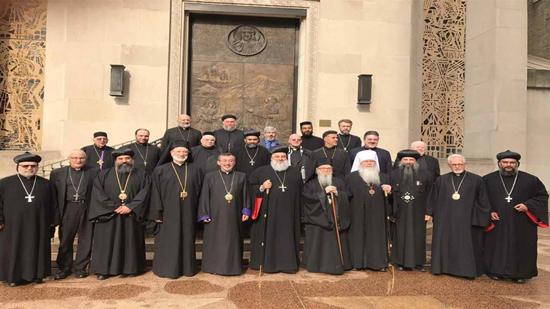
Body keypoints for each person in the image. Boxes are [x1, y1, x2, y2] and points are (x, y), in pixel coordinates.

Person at [483, 150, 549, 283]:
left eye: (512, 162)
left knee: (521, 245)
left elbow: (542, 196)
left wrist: (528, 205)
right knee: (496, 245)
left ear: (517, 163)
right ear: (499, 163)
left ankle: (521, 274)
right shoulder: (487, 179)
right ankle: (494, 271)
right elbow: (480, 198)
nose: (508, 165)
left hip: (522, 221)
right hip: (497, 221)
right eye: (505, 162)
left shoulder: (531, 180)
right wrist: (489, 211)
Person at [88, 148, 151, 280]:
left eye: (127, 158)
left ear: (131, 160)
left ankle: (132, 269)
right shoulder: (104, 174)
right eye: (120, 159)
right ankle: (104, 270)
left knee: (131, 242)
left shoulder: (142, 174)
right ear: (115, 160)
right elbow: (98, 194)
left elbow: (146, 193)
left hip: (131, 215)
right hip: (109, 216)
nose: (124, 161)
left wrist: (131, 206)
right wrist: (115, 207)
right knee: (107, 242)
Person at [426, 154, 491, 279]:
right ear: (449, 165)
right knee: (445, 242)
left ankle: (465, 270)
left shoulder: (477, 180)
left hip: (467, 220)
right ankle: (443, 268)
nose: (457, 167)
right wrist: (429, 212)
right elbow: (433, 198)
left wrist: (479, 219)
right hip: (445, 219)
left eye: (460, 164)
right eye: (454, 164)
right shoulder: (441, 180)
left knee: (466, 245)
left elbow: (483, 201)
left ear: (465, 164)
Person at [0, 152, 58, 287]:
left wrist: (53, 220)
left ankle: (37, 275)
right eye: (25, 166)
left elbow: (54, 203)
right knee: (14, 249)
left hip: (39, 223)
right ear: (18, 167)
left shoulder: (46, 184)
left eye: (33, 166)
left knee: (37, 248)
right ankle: (13, 277)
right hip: (13, 226)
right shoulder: (4, 183)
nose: (29, 169)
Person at [149, 141, 204, 278]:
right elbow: (154, 193)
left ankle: (187, 269)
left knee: (187, 239)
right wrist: (156, 212)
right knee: (168, 240)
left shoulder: (195, 169)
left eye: (184, 152)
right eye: (178, 151)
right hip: (167, 212)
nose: (182, 154)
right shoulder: (160, 170)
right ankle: (166, 269)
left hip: (189, 211)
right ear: (171, 153)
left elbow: (201, 192)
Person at [249, 146, 302, 273]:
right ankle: (268, 265)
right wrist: (262, 187)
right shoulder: (261, 171)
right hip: (267, 212)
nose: (280, 159)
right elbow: (251, 188)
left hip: (289, 213)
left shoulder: (294, 172)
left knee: (287, 238)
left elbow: (300, 192)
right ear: (271, 158)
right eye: (277, 156)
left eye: (283, 157)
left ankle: (287, 265)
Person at [198, 153, 250, 275]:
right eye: (225, 161)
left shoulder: (241, 176)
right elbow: (204, 196)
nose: (227, 163)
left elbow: (246, 195)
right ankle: (213, 267)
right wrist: (205, 213)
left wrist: (246, 210)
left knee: (233, 241)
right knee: (215, 241)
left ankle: (233, 268)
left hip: (234, 214)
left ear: (234, 163)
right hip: (215, 215)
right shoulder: (210, 176)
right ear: (218, 162)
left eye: (230, 161)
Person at [50, 149, 99, 280]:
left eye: (82, 158)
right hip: (68, 208)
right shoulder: (57, 173)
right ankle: (64, 268)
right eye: (75, 158)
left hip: (86, 207)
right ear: (69, 158)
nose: (78, 160)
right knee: (65, 239)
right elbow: (53, 194)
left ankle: (80, 268)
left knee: (86, 239)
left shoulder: (94, 171)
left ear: (86, 159)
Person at [302, 158, 352, 274]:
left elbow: (349, 194)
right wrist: (323, 193)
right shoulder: (310, 184)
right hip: (317, 219)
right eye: (323, 168)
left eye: (328, 168)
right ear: (317, 170)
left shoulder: (339, 182)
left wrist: (339, 193)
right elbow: (306, 198)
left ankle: (338, 264)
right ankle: (316, 265)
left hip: (336, 218)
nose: (326, 171)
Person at [345, 150, 391, 272]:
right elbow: (346, 196)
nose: (369, 164)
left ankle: (378, 263)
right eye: (366, 161)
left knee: (376, 237)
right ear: (360, 163)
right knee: (357, 237)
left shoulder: (384, 177)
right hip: (357, 212)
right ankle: (356, 263)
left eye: (372, 161)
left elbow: (390, 199)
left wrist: (389, 191)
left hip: (377, 214)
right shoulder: (351, 177)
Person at [388, 149, 432, 272]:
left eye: (411, 160)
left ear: (416, 161)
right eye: (405, 160)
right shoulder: (392, 175)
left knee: (418, 236)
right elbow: (389, 196)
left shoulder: (425, 174)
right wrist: (390, 212)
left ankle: (419, 263)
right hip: (399, 211)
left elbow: (430, 194)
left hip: (419, 211)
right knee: (400, 236)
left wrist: (428, 212)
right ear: (400, 161)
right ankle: (399, 262)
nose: (408, 162)